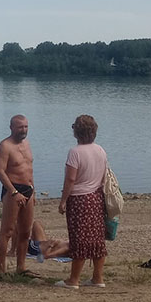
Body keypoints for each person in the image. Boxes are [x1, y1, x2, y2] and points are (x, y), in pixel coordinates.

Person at [55, 115, 108, 288]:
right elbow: (103, 176)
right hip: (96, 198)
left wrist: (63, 201)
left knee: (79, 239)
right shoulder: (100, 150)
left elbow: (71, 179)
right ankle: (98, 278)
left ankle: (73, 279)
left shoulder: (75, 152)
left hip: (79, 199)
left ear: (76, 131)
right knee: (97, 239)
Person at [0, 114, 35, 275]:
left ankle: (21, 267)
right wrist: (14, 192)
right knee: (8, 231)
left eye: (26, 126)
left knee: (26, 231)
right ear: (12, 127)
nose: (23, 130)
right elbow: (0, 172)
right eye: (20, 127)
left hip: (28, 190)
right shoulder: (5, 146)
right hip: (13, 190)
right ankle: (1, 270)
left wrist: (34, 190)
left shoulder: (26, 144)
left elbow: (29, 169)